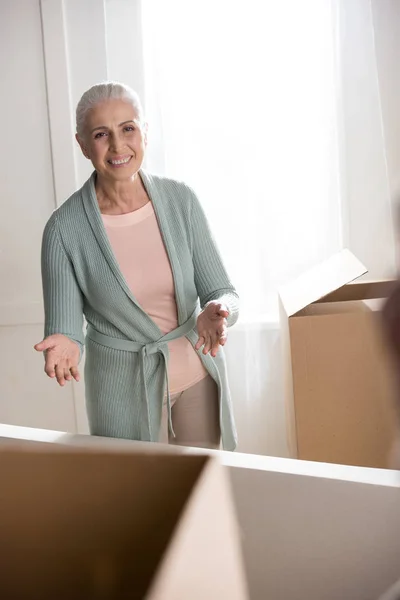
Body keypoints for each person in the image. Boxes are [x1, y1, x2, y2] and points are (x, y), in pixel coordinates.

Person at [34, 82, 239, 451]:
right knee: (136, 501)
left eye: (128, 128)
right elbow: (64, 326)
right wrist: (65, 340)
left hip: (197, 378)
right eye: (101, 134)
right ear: (82, 144)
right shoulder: (63, 229)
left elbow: (222, 291)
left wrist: (220, 309)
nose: (117, 145)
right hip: (122, 392)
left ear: (145, 131)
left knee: (201, 496)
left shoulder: (181, 201)